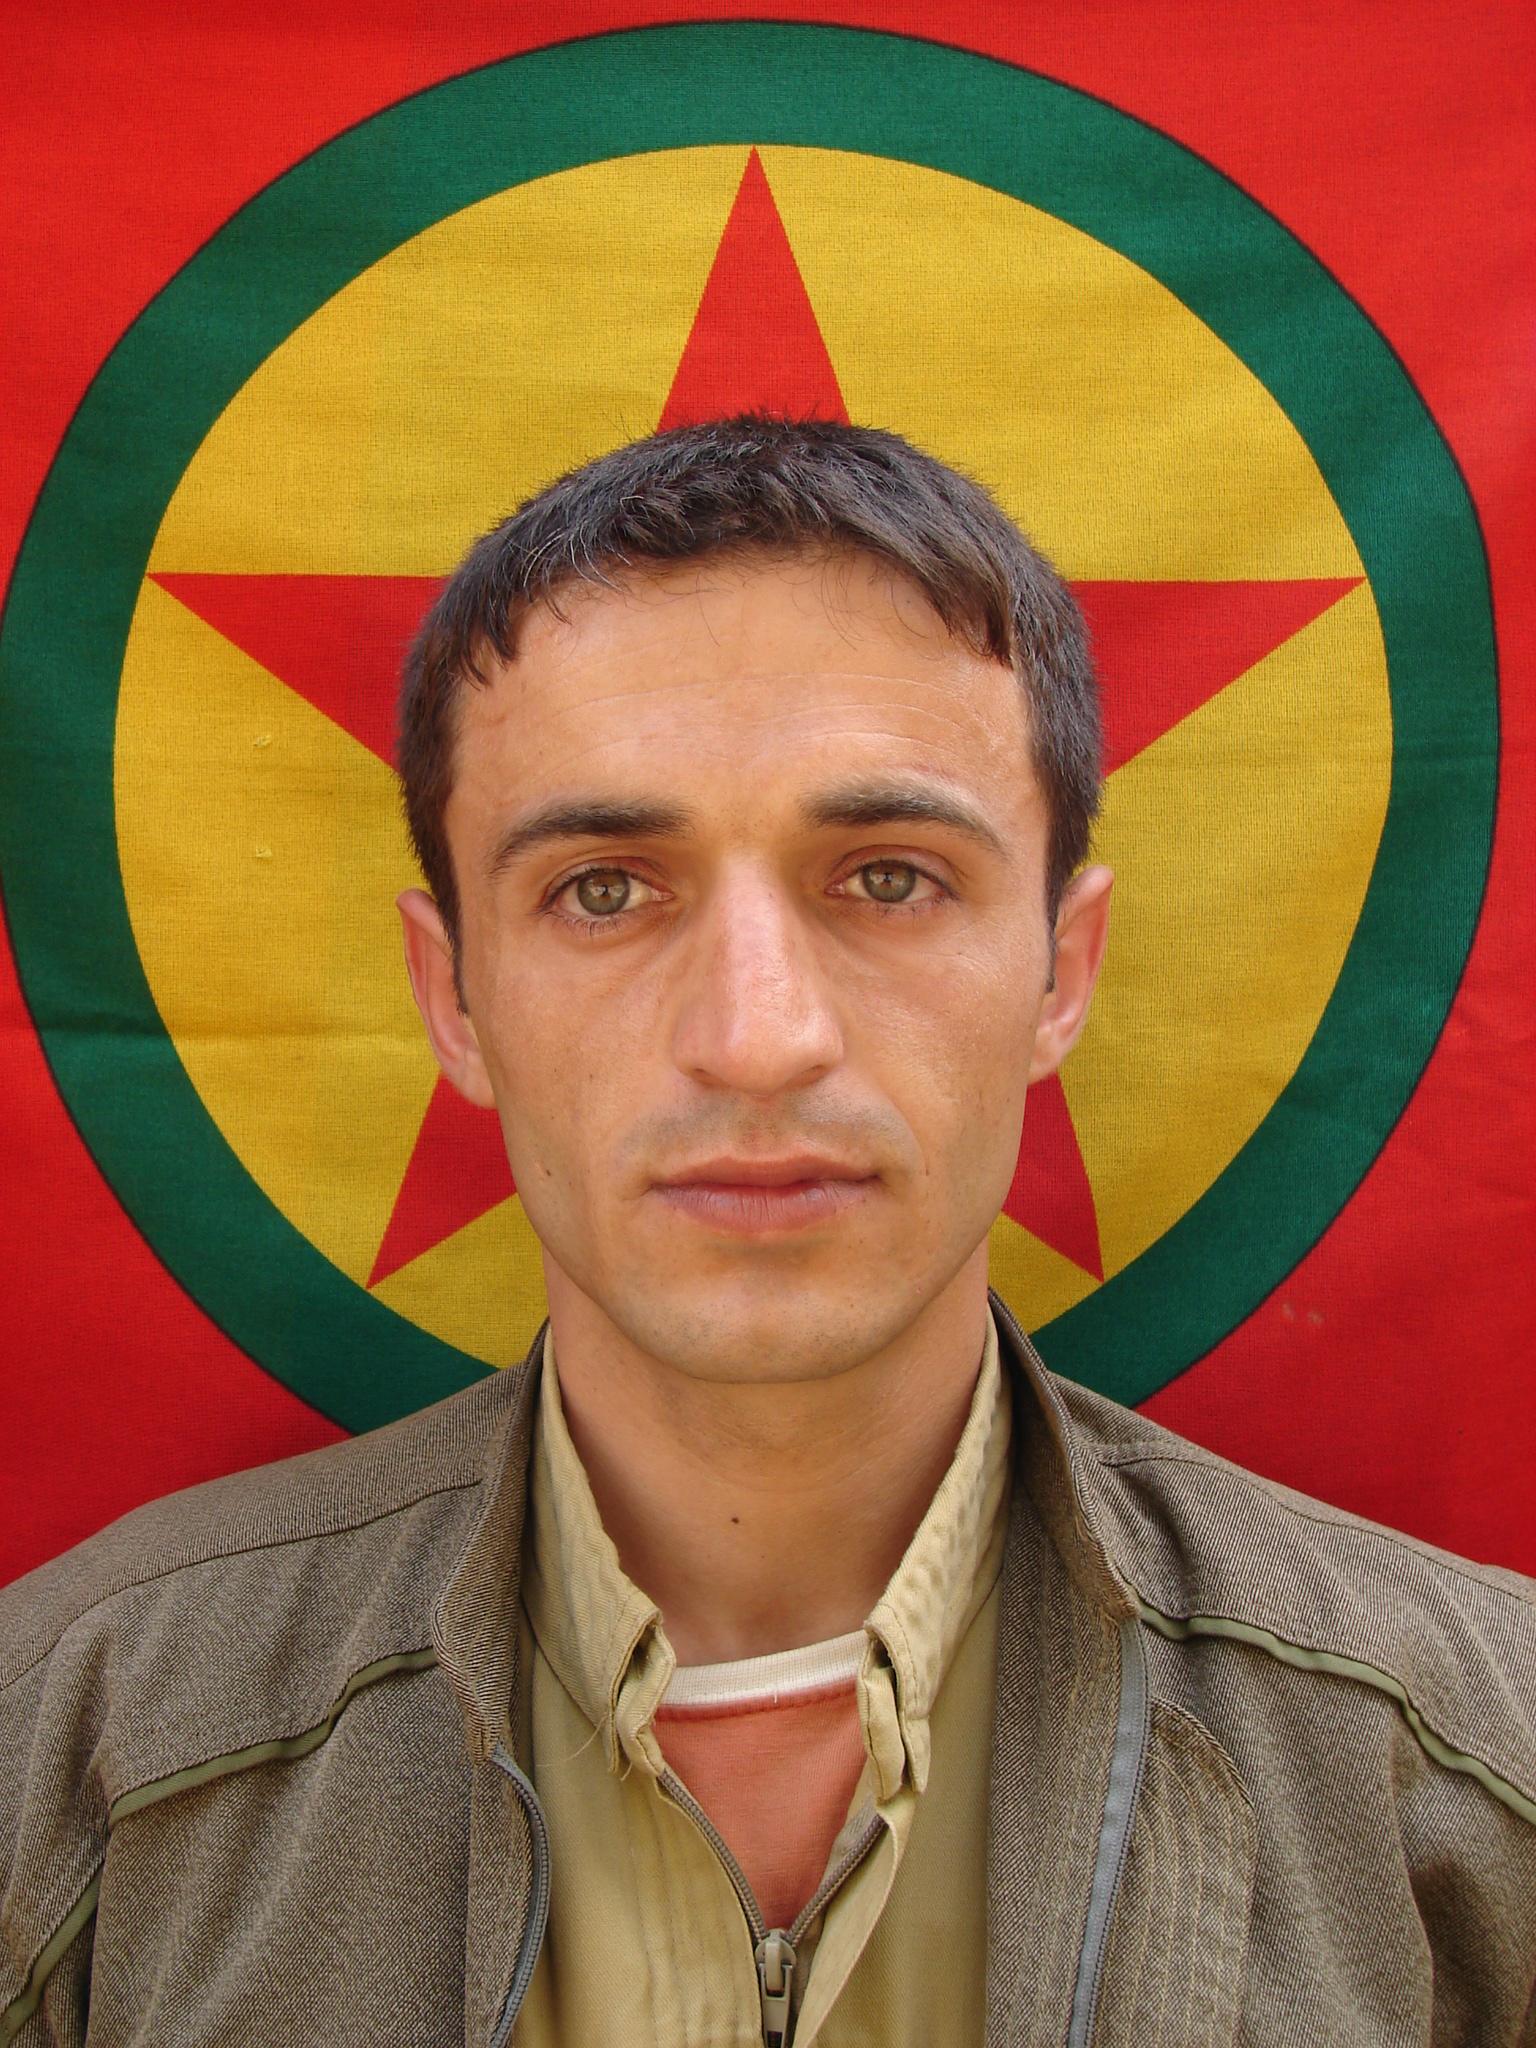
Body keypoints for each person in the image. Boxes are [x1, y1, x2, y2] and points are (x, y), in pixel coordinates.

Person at [3, 419, 1533, 2048]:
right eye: (605, 889)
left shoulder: (1477, 1768)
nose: (757, 1037)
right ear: (453, 996)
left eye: (889, 879)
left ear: (1061, 972)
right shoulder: (67, 1753)